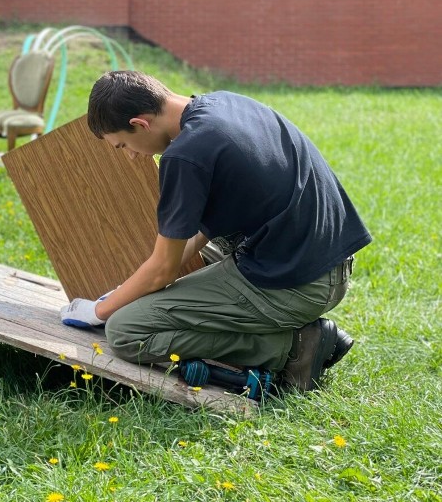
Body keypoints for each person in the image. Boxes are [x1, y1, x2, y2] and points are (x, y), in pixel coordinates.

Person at [59, 71, 372, 391]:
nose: (131, 156)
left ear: (141, 124)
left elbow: (162, 271)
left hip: (296, 285)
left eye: (123, 144)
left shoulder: (185, 155)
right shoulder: (225, 104)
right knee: (152, 263)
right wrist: (136, 285)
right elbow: (195, 238)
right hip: (322, 262)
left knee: (126, 331)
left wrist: (98, 311)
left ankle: (294, 347)